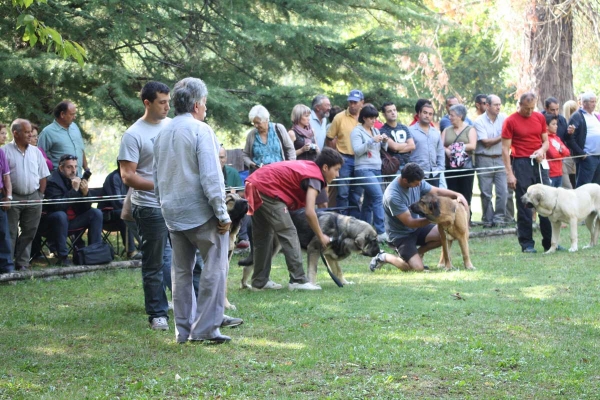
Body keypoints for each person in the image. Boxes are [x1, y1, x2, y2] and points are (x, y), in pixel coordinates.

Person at [153, 76, 240, 344]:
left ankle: (183, 330)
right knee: (215, 268)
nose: (206, 108)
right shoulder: (201, 131)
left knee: (180, 272)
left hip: (173, 212)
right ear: (197, 105)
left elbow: (157, 177)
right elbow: (212, 177)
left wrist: (163, 204)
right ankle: (205, 329)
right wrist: (222, 213)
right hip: (200, 213)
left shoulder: (162, 132)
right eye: (205, 103)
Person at [244, 148, 343, 291]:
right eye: (336, 169)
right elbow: (310, 212)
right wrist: (321, 236)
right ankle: (298, 280)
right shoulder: (315, 176)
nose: (338, 174)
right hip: (267, 188)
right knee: (289, 232)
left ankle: (260, 281)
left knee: (264, 236)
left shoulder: (309, 168)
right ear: (325, 167)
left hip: (254, 183)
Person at [118, 81, 173, 331]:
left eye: (168, 101)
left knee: (184, 260)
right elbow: (128, 176)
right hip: (150, 206)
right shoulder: (133, 134)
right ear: (147, 103)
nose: (167, 107)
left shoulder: (173, 126)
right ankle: (157, 313)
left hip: (177, 204)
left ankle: (193, 306)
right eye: (162, 102)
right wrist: (160, 186)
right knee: (154, 262)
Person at [369, 163, 468, 272]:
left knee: (444, 235)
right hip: (401, 235)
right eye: (417, 183)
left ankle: (418, 252)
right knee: (416, 268)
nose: (420, 185)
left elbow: (437, 191)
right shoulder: (393, 196)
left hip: (418, 228)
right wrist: (438, 219)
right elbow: (410, 222)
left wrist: (458, 195)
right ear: (406, 180)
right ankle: (383, 256)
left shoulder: (416, 181)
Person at [502, 92, 552, 253]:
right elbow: (505, 149)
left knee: (546, 200)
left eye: (532, 108)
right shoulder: (510, 121)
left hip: (538, 162)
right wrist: (510, 173)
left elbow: (546, 141)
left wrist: (541, 151)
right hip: (521, 162)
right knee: (525, 203)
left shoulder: (539, 118)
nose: (529, 112)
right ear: (520, 105)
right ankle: (527, 243)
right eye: (526, 108)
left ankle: (550, 242)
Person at [5, 119, 50, 271]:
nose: (30, 135)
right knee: (10, 232)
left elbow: (43, 175)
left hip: (34, 196)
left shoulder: (36, 152)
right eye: (26, 132)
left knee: (30, 231)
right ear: (15, 133)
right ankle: (7, 263)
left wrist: (40, 195)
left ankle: (22, 262)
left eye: (31, 131)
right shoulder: (5, 151)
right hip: (12, 198)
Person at [44, 154, 103, 265]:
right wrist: (74, 190)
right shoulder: (52, 181)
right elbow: (57, 207)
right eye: (69, 167)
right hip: (52, 223)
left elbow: (86, 208)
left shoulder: (76, 179)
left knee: (96, 213)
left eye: (75, 167)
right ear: (61, 168)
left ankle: (94, 253)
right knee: (61, 215)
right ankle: (63, 257)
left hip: (72, 221)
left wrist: (86, 194)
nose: (73, 170)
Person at [350, 104, 387, 241]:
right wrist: (371, 140)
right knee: (378, 197)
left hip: (377, 168)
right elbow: (357, 150)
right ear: (364, 118)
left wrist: (384, 142)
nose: (373, 120)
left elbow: (381, 149)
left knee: (369, 202)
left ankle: (364, 233)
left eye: (375, 118)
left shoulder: (376, 130)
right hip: (363, 169)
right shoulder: (356, 131)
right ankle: (381, 232)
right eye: (371, 118)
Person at [325, 89, 363, 217]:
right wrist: (334, 156)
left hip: (361, 160)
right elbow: (329, 138)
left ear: (361, 103)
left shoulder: (365, 118)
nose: (352, 105)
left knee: (357, 193)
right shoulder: (339, 117)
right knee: (342, 193)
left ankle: (355, 221)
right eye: (350, 102)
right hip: (344, 159)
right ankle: (341, 221)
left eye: (355, 102)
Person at [473, 94, 508, 228]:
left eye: (499, 104)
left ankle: (499, 218)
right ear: (487, 106)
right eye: (495, 104)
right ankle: (488, 219)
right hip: (484, 159)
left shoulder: (504, 118)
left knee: (503, 191)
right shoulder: (479, 121)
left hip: (500, 158)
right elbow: (486, 142)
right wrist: (503, 135)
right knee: (486, 192)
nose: (498, 107)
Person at [441, 104, 477, 214]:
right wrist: (447, 151)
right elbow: (440, 145)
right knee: (452, 193)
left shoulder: (470, 129)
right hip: (450, 167)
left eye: (452, 115)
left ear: (460, 116)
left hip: (466, 167)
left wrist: (458, 148)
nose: (449, 118)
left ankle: (466, 218)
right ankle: (453, 217)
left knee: (466, 193)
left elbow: (473, 145)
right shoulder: (446, 130)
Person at [97, 164, 138, 258]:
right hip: (107, 215)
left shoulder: (135, 177)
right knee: (126, 213)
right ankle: (131, 251)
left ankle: (147, 248)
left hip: (127, 212)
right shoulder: (113, 177)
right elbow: (117, 203)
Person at [38, 101, 88, 176]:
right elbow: (40, 156)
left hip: (78, 178)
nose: (74, 117)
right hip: (60, 181)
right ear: (62, 114)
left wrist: (86, 168)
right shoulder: (47, 132)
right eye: (72, 114)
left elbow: (81, 149)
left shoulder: (74, 127)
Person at [242, 105, 295, 171]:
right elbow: (245, 154)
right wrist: (251, 164)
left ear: (266, 120)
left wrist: (290, 166)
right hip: (259, 174)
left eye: (258, 123)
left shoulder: (279, 129)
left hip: (280, 172)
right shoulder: (251, 135)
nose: (255, 125)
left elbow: (290, 149)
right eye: (254, 123)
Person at [567, 92, 600, 187]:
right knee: (584, 186)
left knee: (596, 186)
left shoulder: (594, 116)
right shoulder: (577, 116)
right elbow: (570, 138)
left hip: (598, 156)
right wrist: (582, 154)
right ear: (584, 103)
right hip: (588, 157)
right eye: (592, 102)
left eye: (595, 101)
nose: (594, 104)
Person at [409, 102, 444, 187]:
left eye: (430, 114)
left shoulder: (435, 132)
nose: (427, 116)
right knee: (417, 200)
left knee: (434, 199)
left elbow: (440, 152)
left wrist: (439, 169)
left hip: (434, 174)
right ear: (419, 114)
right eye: (425, 113)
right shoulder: (410, 130)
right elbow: (406, 152)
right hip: (416, 174)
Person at [379, 102, 415, 172]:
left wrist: (397, 149)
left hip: (408, 165)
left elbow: (412, 146)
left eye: (394, 110)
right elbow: (394, 147)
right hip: (394, 167)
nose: (393, 113)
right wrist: (405, 144)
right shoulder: (382, 130)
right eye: (389, 111)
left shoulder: (404, 127)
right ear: (384, 114)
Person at [0, 141, 14, 274]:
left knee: (3, 232)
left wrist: (8, 197)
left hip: (0, 196)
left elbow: (6, 176)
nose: (4, 136)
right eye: (2, 133)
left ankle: (6, 266)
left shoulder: (1, 153)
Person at [545, 114, 571, 188]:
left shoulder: (557, 138)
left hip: (559, 172)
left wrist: (560, 151)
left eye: (556, 124)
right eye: (553, 124)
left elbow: (567, 152)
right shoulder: (546, 138)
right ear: (546, 126)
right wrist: (561, 151)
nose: (556, 126)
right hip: (550, 173)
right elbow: (553, 154)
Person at [562, 100, 578, 188]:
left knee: (571, 181)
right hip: (572, 156)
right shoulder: (575, 124)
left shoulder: (563, 123)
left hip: (567, 156)